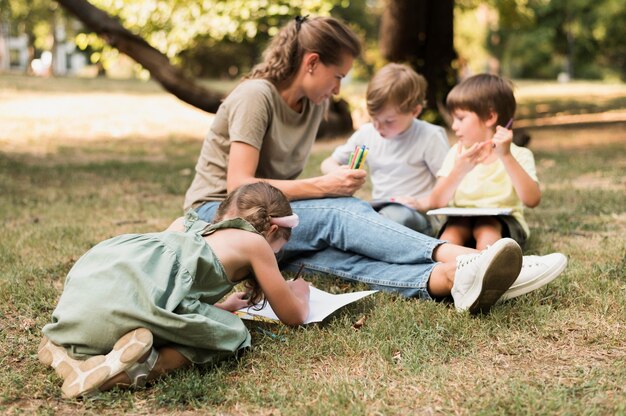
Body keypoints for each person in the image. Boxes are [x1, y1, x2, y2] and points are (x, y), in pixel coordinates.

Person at [183, 16, 566, 316]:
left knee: (330, 260)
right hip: (219, 215)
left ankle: (449, 280)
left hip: (270, 220)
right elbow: (239, 185)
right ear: (312, 63)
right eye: (338, 77)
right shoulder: (256, 97)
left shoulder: (312, 107)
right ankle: (469, 259)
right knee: (340, 212)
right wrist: (325, 187)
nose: (337, 89)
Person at [38, 182, 310, 399]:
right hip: (118, 311)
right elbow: (294, 316)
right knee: (233, 333)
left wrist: (222, 306)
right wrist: (301, 292)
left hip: (87, 303)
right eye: (279, 248)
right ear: (273, 229)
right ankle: (133, 371)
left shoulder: (183, 225)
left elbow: (160, 285)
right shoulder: (254, 242)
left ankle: (66, 350)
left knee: (205, 316)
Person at [321, 63, 449, 236]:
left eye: (389, 121)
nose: (378, 127)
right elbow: (328, 163)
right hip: (380, 211)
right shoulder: (367, 133)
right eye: (374, 118)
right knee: (342, 214)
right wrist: (339, 173)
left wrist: (423, 202)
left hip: (417, 216)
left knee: (395, 219)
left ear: (415, 111)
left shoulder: (430, 136)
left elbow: (447, 182)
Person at [430, 74, 540, 250]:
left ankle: (487, 266)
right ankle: (451, 268)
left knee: (486, 227)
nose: (454, 126)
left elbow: (532, 199)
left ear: (490, 117)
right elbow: (436, 202)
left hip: (502, 223)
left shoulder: (519, 155)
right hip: (460, 219)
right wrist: (459, 170)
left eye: (460, 118)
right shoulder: (456, 154)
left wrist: (506, 156)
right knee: (451, 235)